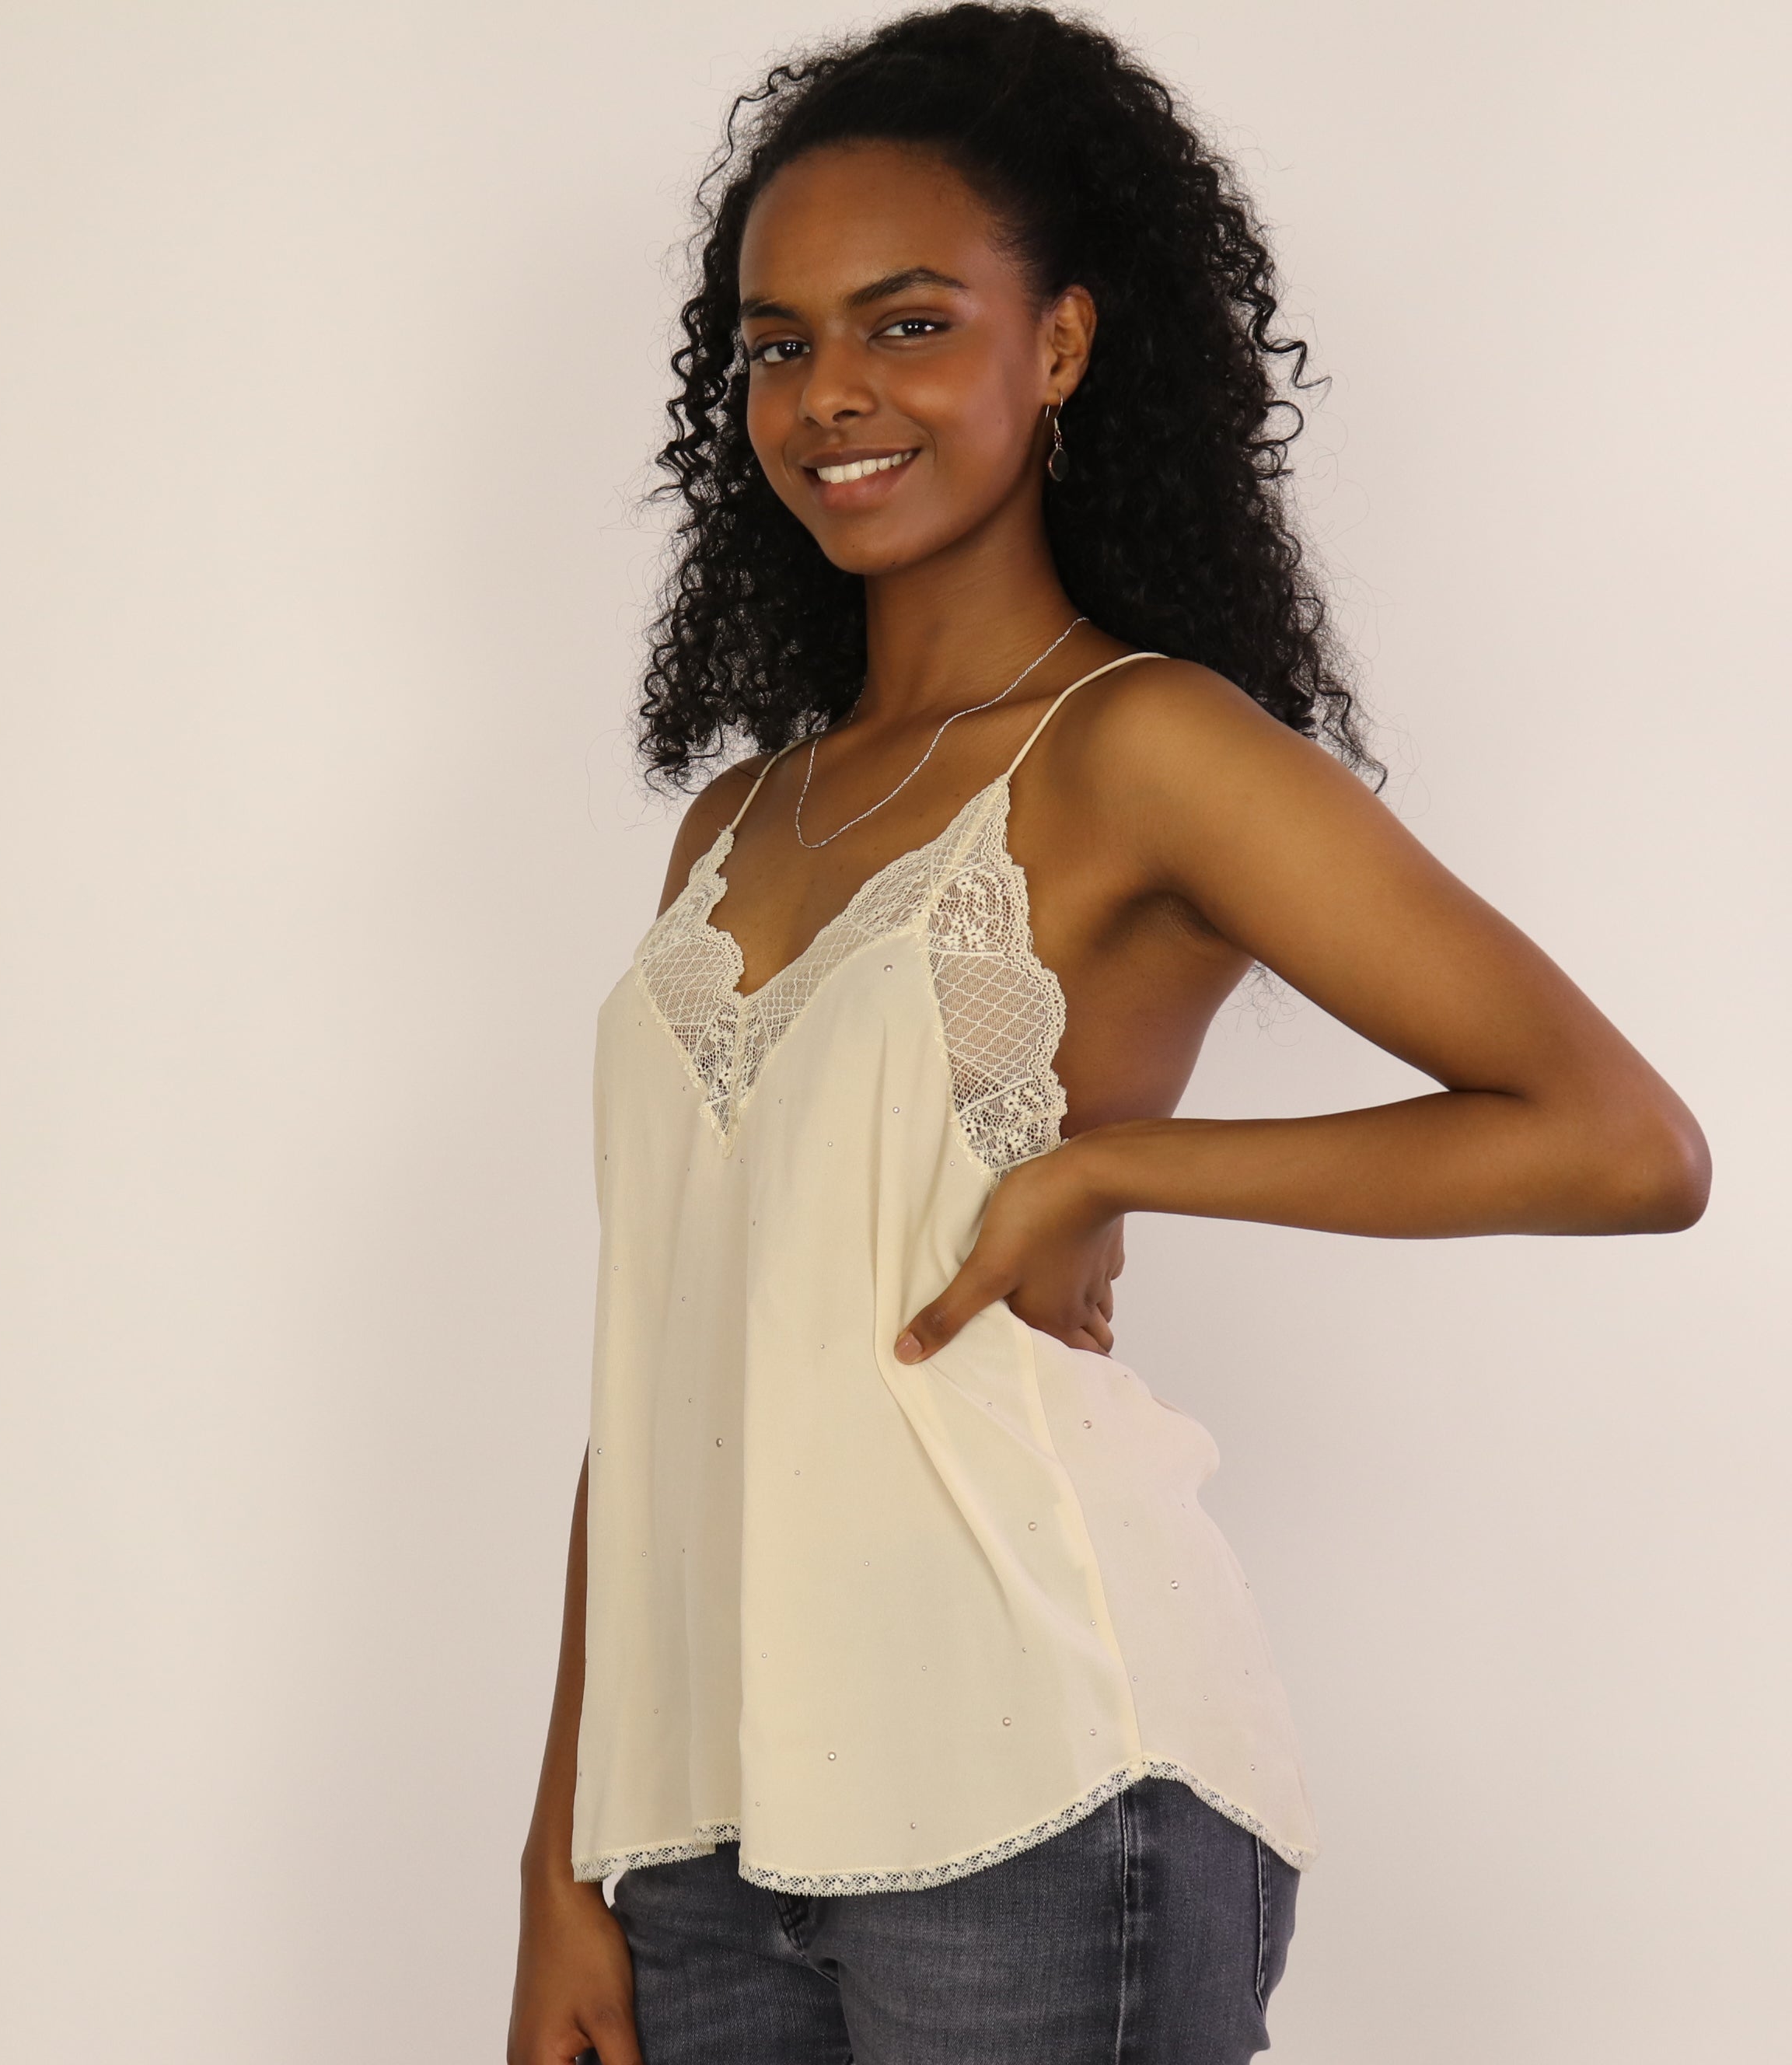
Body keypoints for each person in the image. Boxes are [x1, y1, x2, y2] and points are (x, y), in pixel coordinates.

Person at [506, 7, 1710, 2060]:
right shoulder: (733, 826)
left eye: (907, 323)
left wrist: (1116, 1164)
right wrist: (562, 1863)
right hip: (706, 1832)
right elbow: (662, 1373)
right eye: (778, 343)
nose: (830, 393)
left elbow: (1622, 1143)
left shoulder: (1140, 746)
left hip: (1042, 1790)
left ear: (1058, 343)